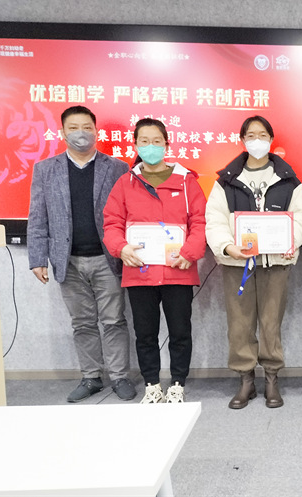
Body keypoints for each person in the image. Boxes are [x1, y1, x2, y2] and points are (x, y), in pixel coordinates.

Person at [27, 105, 135, 403]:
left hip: (107, 259)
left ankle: (120, 376)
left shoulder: (117, 168)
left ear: (96, 131)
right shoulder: (45, 170)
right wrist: (37, 258)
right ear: (62, 132)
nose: (81, 133)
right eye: (73, 128)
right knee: (83, 323)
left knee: (114, 321)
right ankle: (91, 377)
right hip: (68, 260)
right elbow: (37, 216)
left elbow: (129, 214)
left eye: (87, 127)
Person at [205, 115, 302, 409]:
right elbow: (214, 220)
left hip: (275, 263)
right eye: (251, 135)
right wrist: (228, 247)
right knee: (239, 324)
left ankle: (272, 378)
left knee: (271, 323)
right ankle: (246, 380)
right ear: (243, 140)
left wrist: (290, 241)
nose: (257, 140)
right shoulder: (226, 181)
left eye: (262, 135)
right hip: (238, 266)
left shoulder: (288, 180)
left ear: (271, 139)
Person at [103, 118, 206, 404]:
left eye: (157, 141)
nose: (151, 147)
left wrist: (189, 252)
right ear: (135, 145)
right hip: (139, 271)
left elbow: (200, 222)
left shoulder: (186, 181)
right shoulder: (125, 183)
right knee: (145, 333)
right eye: (144, 141)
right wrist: (121, 248)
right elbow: (111, 223)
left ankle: (177, 383)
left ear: (166, 145)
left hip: (178, 270)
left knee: (180, 332)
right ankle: (152, 384)